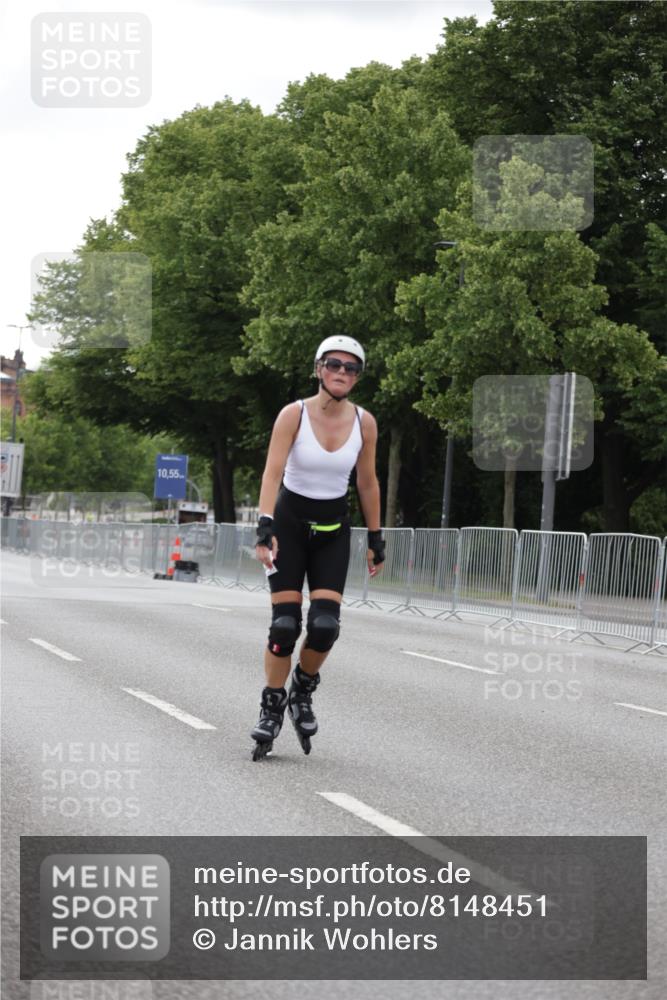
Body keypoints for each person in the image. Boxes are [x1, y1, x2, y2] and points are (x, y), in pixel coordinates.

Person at [250, 335, 385, 760]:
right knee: (284, 627)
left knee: (325, 626)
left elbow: (367, 482)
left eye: (351, 368)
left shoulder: (365, 422)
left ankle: (302, 691)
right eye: (334, 364)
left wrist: (376, 536)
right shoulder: (294, 414)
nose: (342, 372)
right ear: (318, 369)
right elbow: (272, 472)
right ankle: (272, 706)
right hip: (287, 529)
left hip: (332, 531)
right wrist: (264, 525)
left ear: (357, 377)